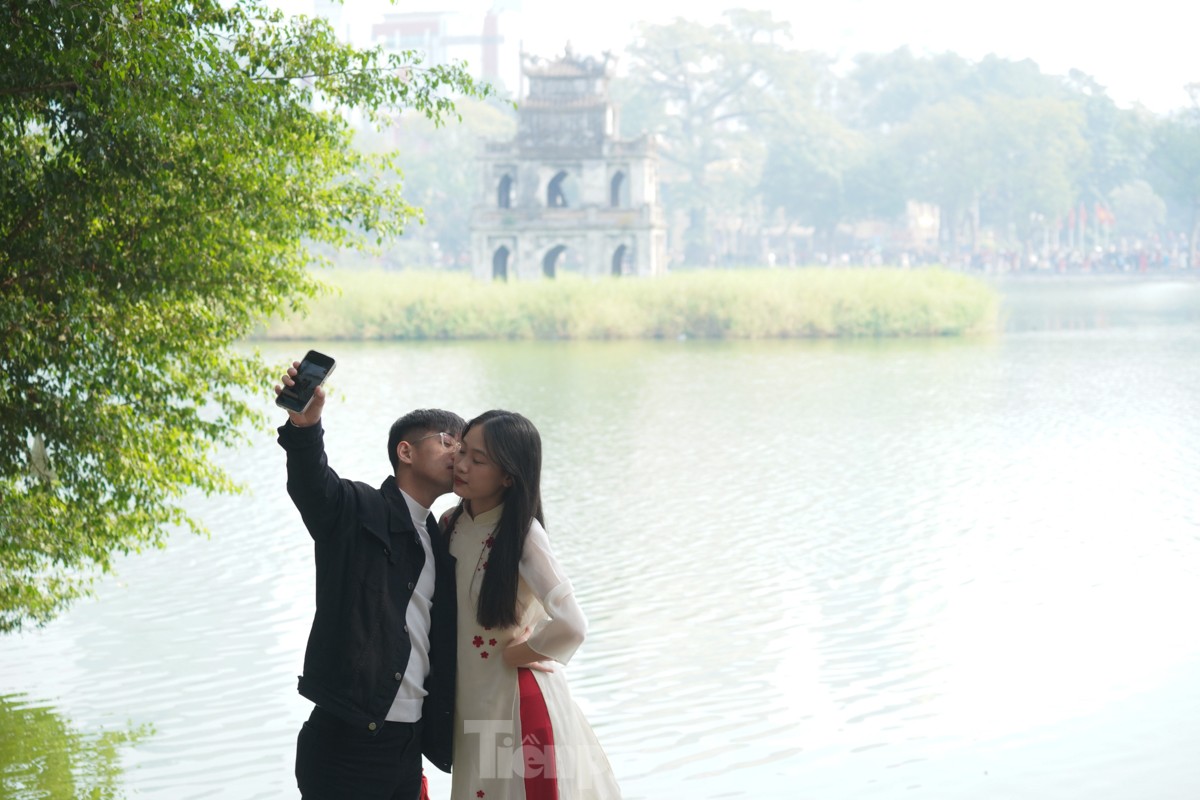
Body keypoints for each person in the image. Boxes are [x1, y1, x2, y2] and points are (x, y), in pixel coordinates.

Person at [275, 360, 462, 799]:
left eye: (465, 446)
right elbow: (312, 485)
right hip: (347, 740)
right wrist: (305, 428)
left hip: (407, 744)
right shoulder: (358, 509)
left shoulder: (443, 538)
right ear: (406, 452)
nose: (458, 452)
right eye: (447, 440)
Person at [442, 410, 621, 799]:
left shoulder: (523, 535)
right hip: (472, 702)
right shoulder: (451, 524)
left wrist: (518, 653)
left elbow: (573, 623)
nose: (462, 465)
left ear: (509, 475)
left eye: (478, 459)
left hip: (518, 705)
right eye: (462, 451)